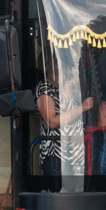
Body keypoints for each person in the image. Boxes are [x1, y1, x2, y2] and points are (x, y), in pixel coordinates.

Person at [35, 52, 94, 180]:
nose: (61, 67)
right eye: (57, 63)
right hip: (57, 153)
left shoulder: (65, 87)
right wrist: (81, 108)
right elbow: (51, 121)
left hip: (75, 151)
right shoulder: (45, 88)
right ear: (48, 66)